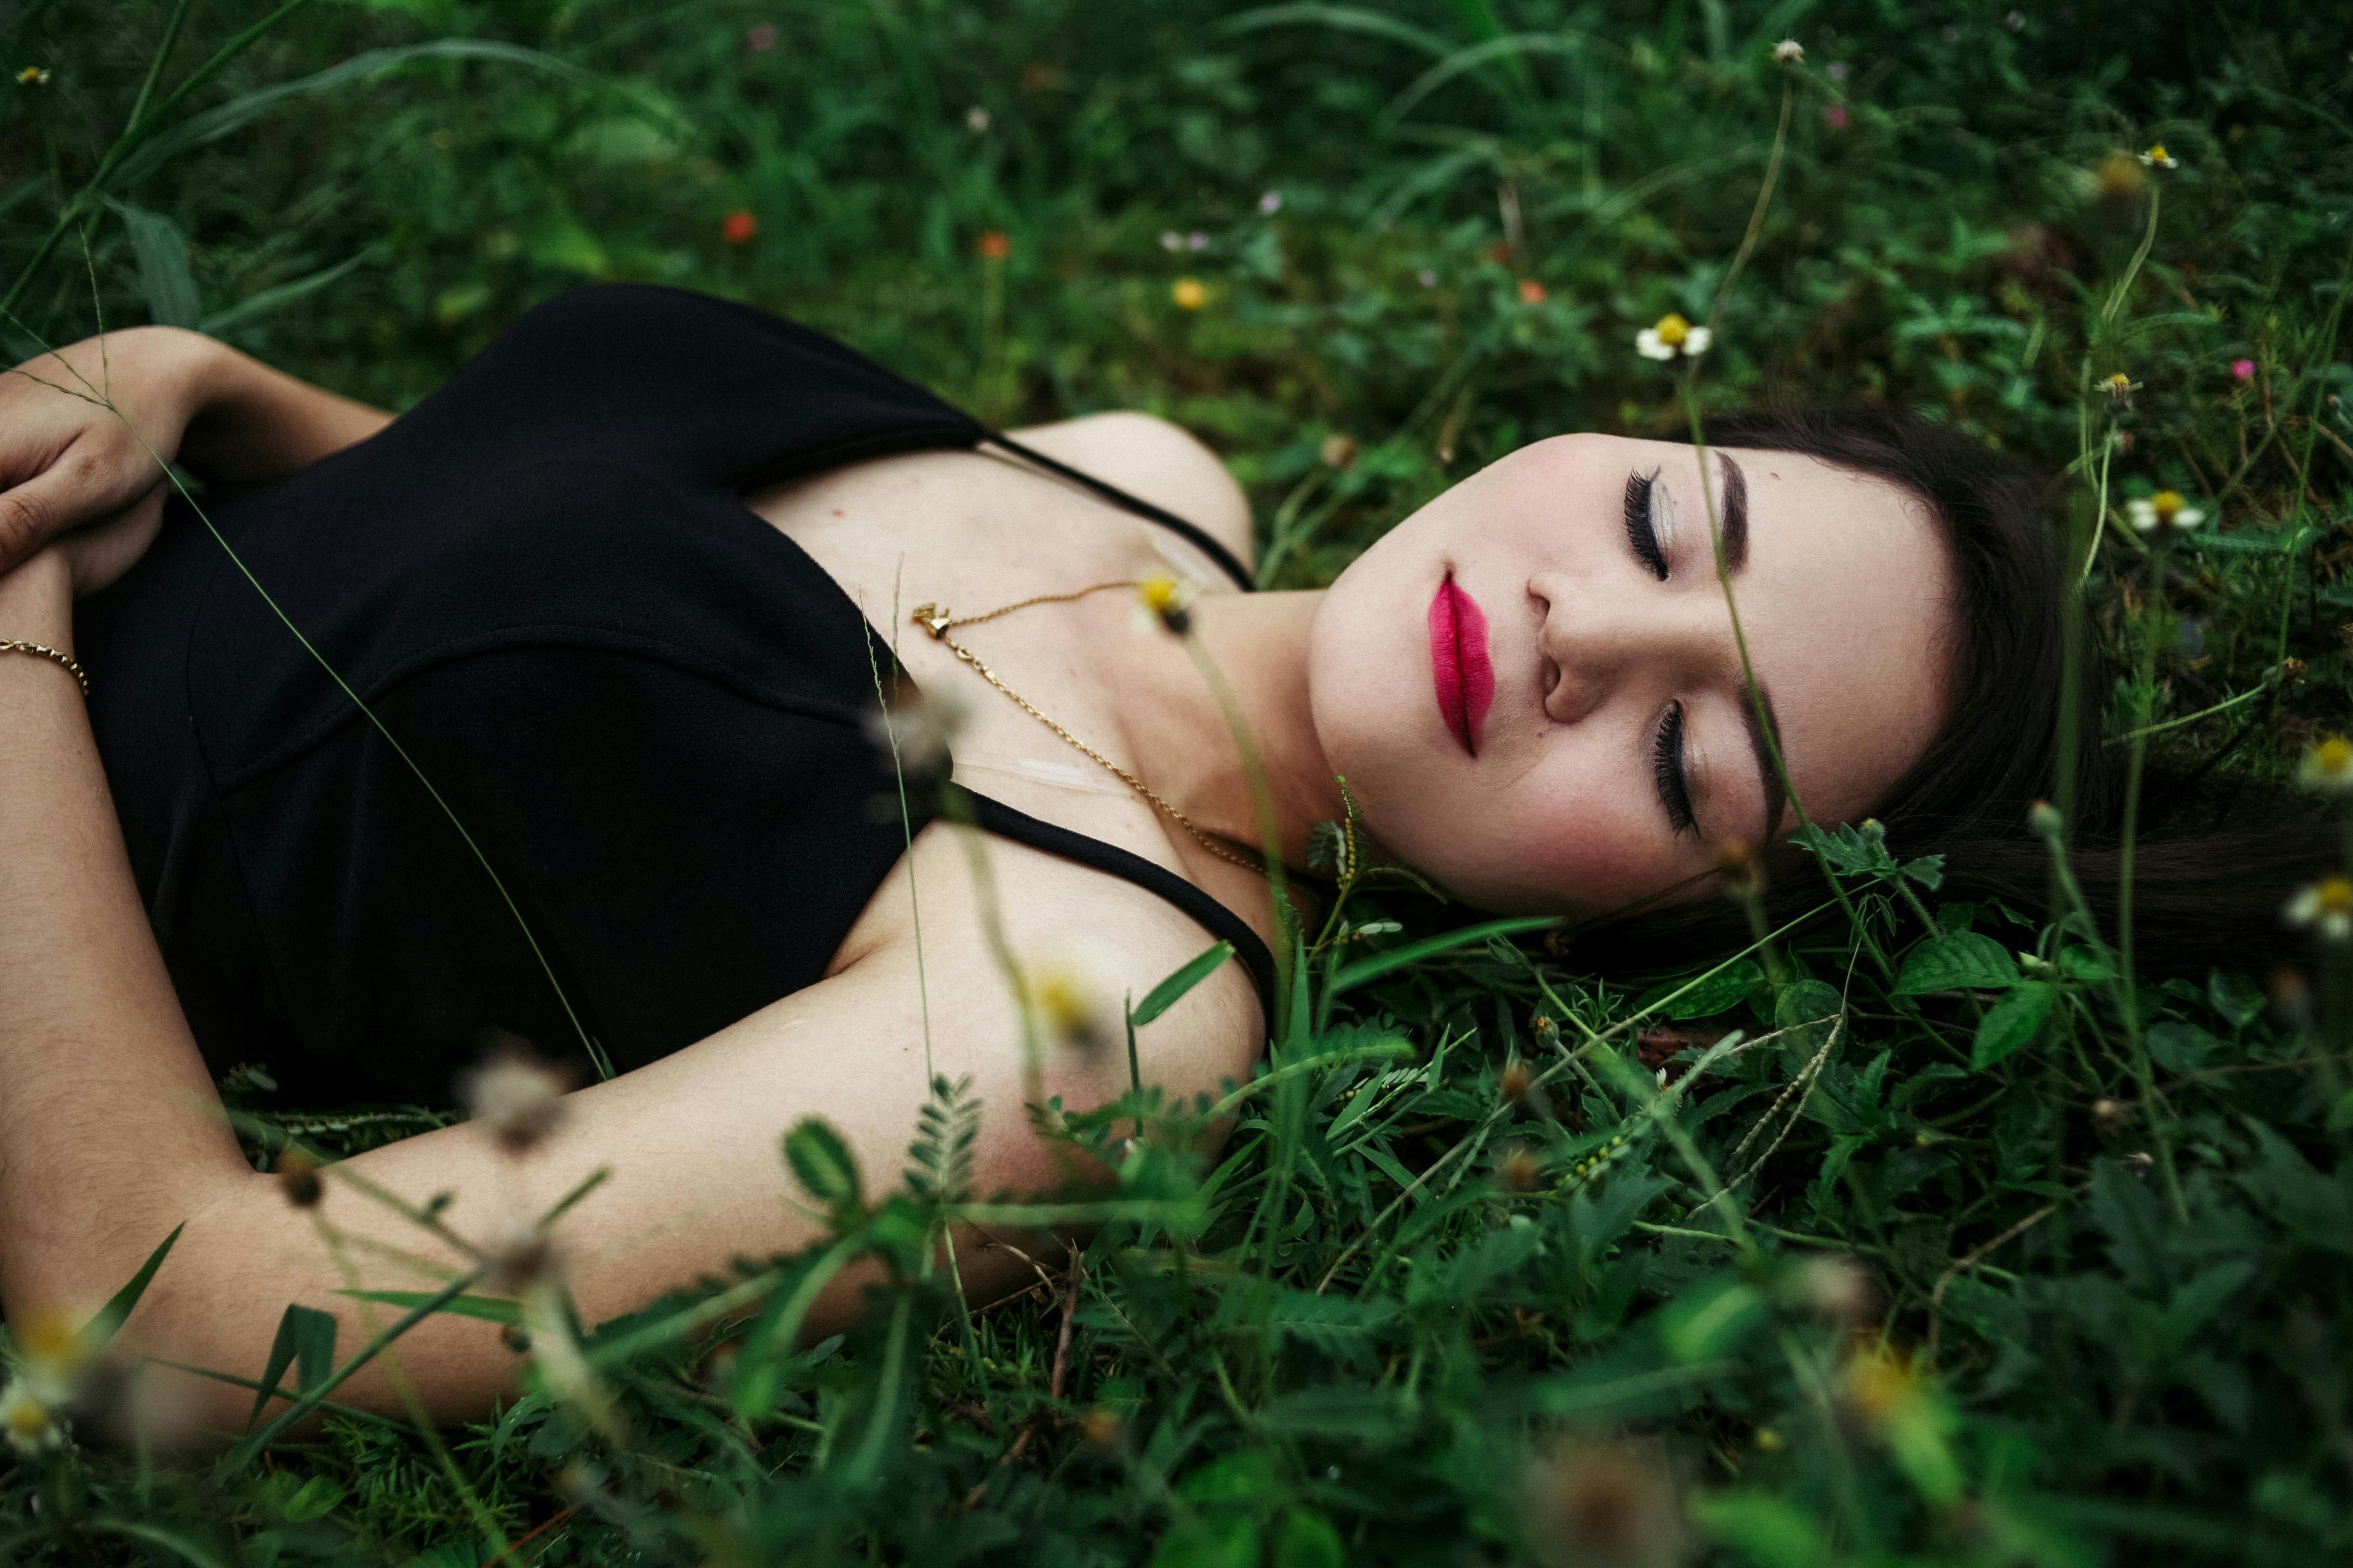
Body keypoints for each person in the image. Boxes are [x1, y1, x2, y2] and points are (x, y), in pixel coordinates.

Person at [0, 284, 2277, 1433]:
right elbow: (459, 582)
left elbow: (171, 1318)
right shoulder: (1140, 470)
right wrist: (209, 393)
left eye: (1700, 756)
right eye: (1677, 520)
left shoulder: (1105, 1016)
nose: (1599, 628)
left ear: (1672, 915)